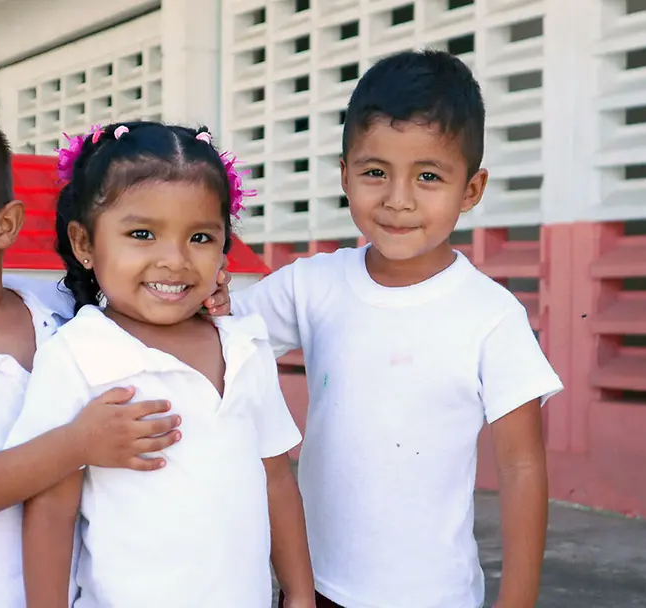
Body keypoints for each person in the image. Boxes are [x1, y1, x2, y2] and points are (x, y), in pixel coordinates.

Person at [0, 91, 226, 608]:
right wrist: (76, 445)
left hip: (102, 588)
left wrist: (201, 299)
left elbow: (144, 298)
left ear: (4, 223)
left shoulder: (61, 307)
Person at [229, 49, 564, 608]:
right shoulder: (314, 284)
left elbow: (522, 465)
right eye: (375, 172)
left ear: (472, 190)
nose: (398, 199)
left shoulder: (492, 315)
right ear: (345, 175)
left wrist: (518, 601)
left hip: (433, 595)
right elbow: (216, 331)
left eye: (428, 175)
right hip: (314, 587)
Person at [8, 121, 315, 608]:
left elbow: (276, 480)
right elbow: (50, 509)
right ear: (85, 244)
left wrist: (300, 593)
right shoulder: (79, 356)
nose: (174, 260)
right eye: (143, 233)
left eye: (200, 237)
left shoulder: (244, 347)